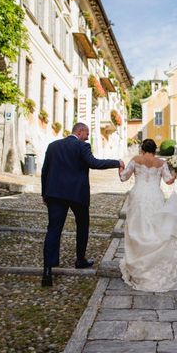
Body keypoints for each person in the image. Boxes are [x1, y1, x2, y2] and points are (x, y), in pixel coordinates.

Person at [41, 122, 123, 287]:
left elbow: (45, 171)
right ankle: (80, 260)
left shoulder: (53, 146)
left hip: (55, 194)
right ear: (80, 131)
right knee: (82, 226)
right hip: (77, 194)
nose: (87, 137)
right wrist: (117, 162)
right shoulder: (82, 146)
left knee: (53, 230)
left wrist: (44, 194)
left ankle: (47, 270)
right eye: (86, 134)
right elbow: (94, 163)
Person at [118, 139, 177, 292]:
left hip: (138, 196)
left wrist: (121, 167)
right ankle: (155, 260)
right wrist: (175, 171)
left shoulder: (136, 160)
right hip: (155, 196)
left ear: (142, 149)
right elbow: (168, 180)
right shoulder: (160, 162)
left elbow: (123, 177)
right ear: (155, 149)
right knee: (156, 228)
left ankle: (138, 262)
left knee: (137, 227)